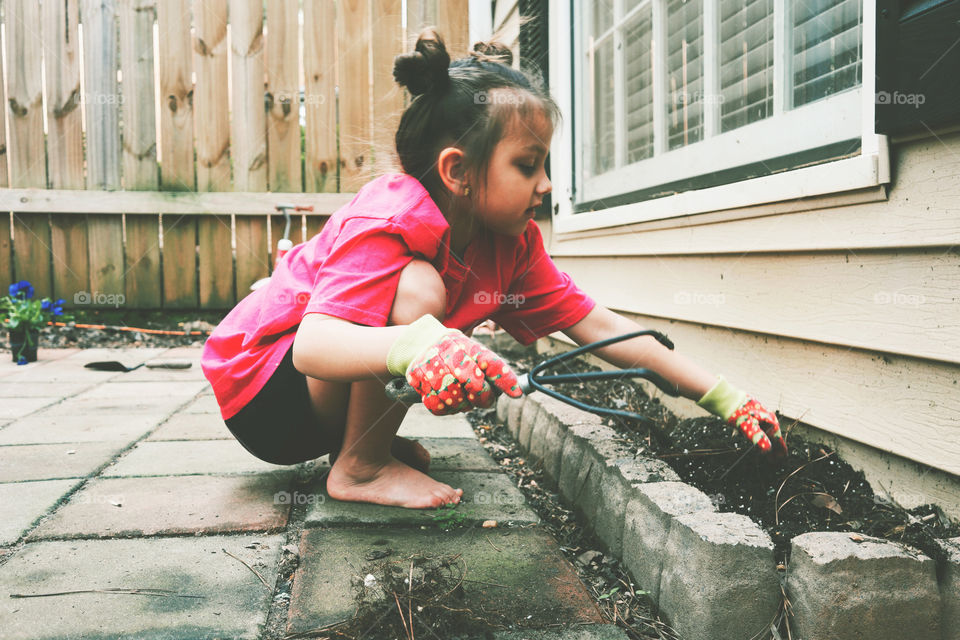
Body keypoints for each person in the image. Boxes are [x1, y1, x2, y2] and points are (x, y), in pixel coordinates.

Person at [201, 29, 786, 511]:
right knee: (419, 291)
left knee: (420, 315)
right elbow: (314, 345)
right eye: (528, 166)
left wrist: (726, 397)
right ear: (459, 172)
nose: (547, 185)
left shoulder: (514, 246)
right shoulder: (393, 212)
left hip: (311, 402)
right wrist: (422, 348)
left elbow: (600, 329)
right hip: (262, 394)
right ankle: (359, 467)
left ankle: (357, 449)